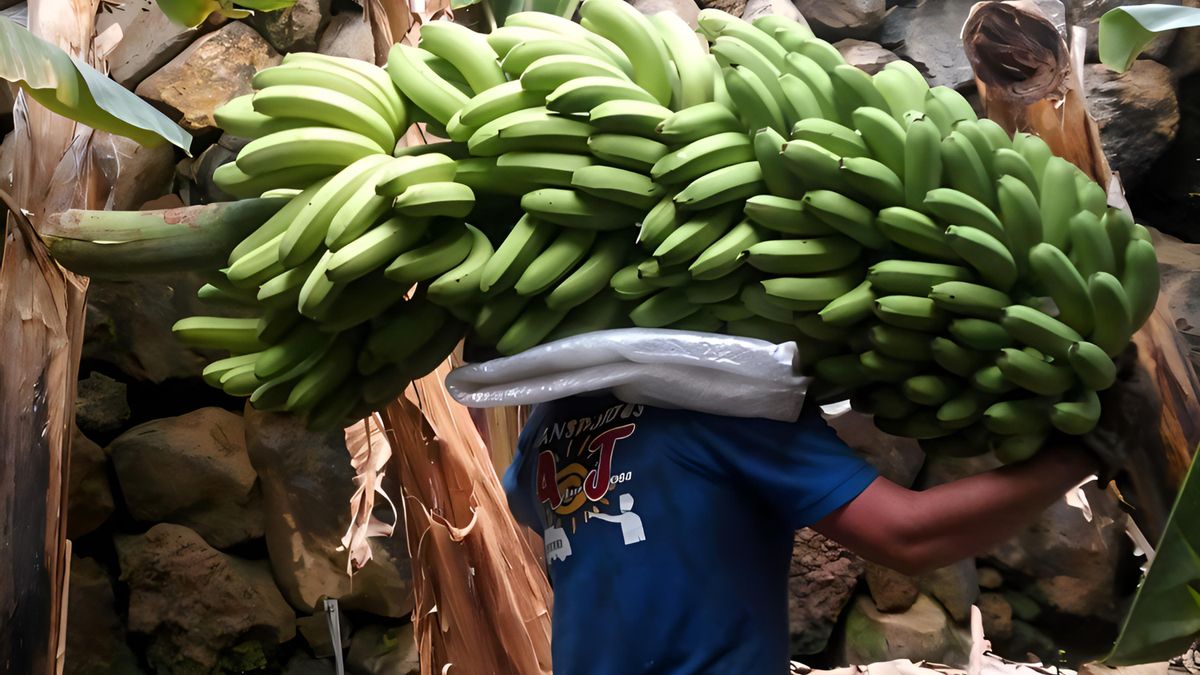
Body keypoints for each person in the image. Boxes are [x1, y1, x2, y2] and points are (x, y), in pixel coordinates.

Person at [501, 348, 1159, 675]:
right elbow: (907, 533)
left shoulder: (553, 419)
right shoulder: (726, 408)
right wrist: (1085, 452)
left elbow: (525, 502)